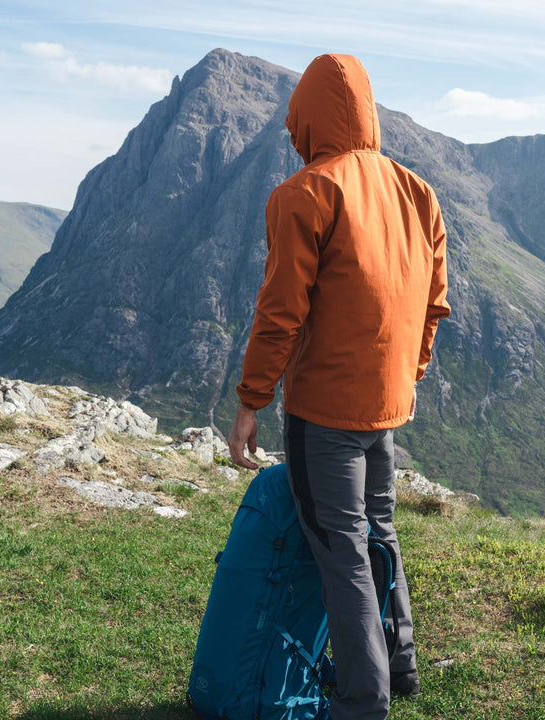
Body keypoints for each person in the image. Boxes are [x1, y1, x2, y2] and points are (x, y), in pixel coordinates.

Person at [228, 53, 450, 720]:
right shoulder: (416, 191)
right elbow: (434, 303)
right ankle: (400, 667)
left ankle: (362, 701)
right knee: (378, 533)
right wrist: (407, 373)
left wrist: (251, 401)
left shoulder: (304, 193)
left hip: (324, 413)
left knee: (343, 552)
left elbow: (281, 312)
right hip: (386, 405)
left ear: (305, 118)